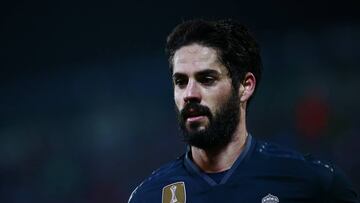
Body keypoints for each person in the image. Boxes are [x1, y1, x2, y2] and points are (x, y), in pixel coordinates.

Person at [128, 19, 359, 203]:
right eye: (180, 81)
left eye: (206, 79)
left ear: (245, 86)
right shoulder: (148, 196)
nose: (190, 93)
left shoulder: (312, 183)